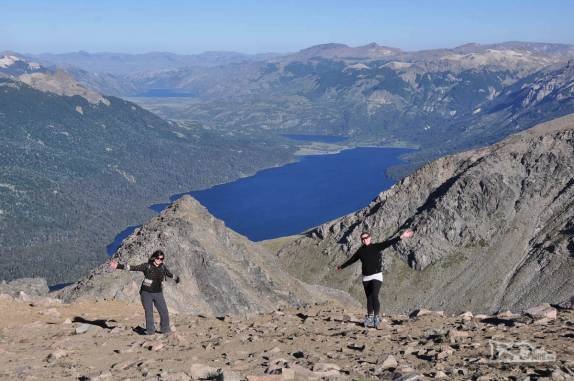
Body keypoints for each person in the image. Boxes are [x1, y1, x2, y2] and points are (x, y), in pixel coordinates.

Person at [337, 229, 414, 328]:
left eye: (366, 238)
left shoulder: (376, 246)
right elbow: (352, 260)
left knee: (374, 295)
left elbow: (388, 243)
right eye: (362, 239)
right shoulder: (360, 251)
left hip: (376, 275)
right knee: (369, 298)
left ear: (370, 238)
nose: (364, 240)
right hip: (366, 277)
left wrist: (401, 236)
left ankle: (376, 317)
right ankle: (370, 317)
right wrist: (341, 267)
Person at [110, 250, 180, 335]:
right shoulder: (147, 266)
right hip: (146, 293)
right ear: (154, 257)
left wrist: (176, 278)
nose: (159, 260)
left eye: (161, 259)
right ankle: (150, 331)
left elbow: (168, 274)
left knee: (164, 311)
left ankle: (165, 329)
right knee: (149, 311)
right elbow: (133, 268)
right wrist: (118, 266)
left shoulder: (162, 267)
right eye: (158, 258)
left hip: (158, 292)